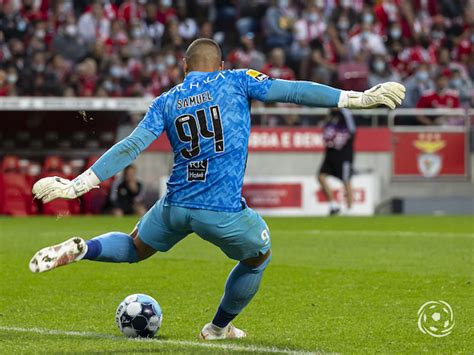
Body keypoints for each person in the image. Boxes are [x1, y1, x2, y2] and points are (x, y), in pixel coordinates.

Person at [29, 38, 405, 340]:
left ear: (184, 68)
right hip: (221, 209)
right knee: (259, 256)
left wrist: (77, 185)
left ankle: (83, 249)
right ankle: (217, 329)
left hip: (175, 204)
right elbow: (293, 91)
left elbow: (130, 146)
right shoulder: (237, 79)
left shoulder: (167, 100)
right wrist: (356, 98)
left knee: (134, 247)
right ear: (220, 64)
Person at [318, 109, 356, 216]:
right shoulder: (330, 115)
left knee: (346, 180)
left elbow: (352, 131)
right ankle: (333, 205)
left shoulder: (345, 114)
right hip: (330, 153)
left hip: (343, 154)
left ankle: (350, 208)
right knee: (321, 176)